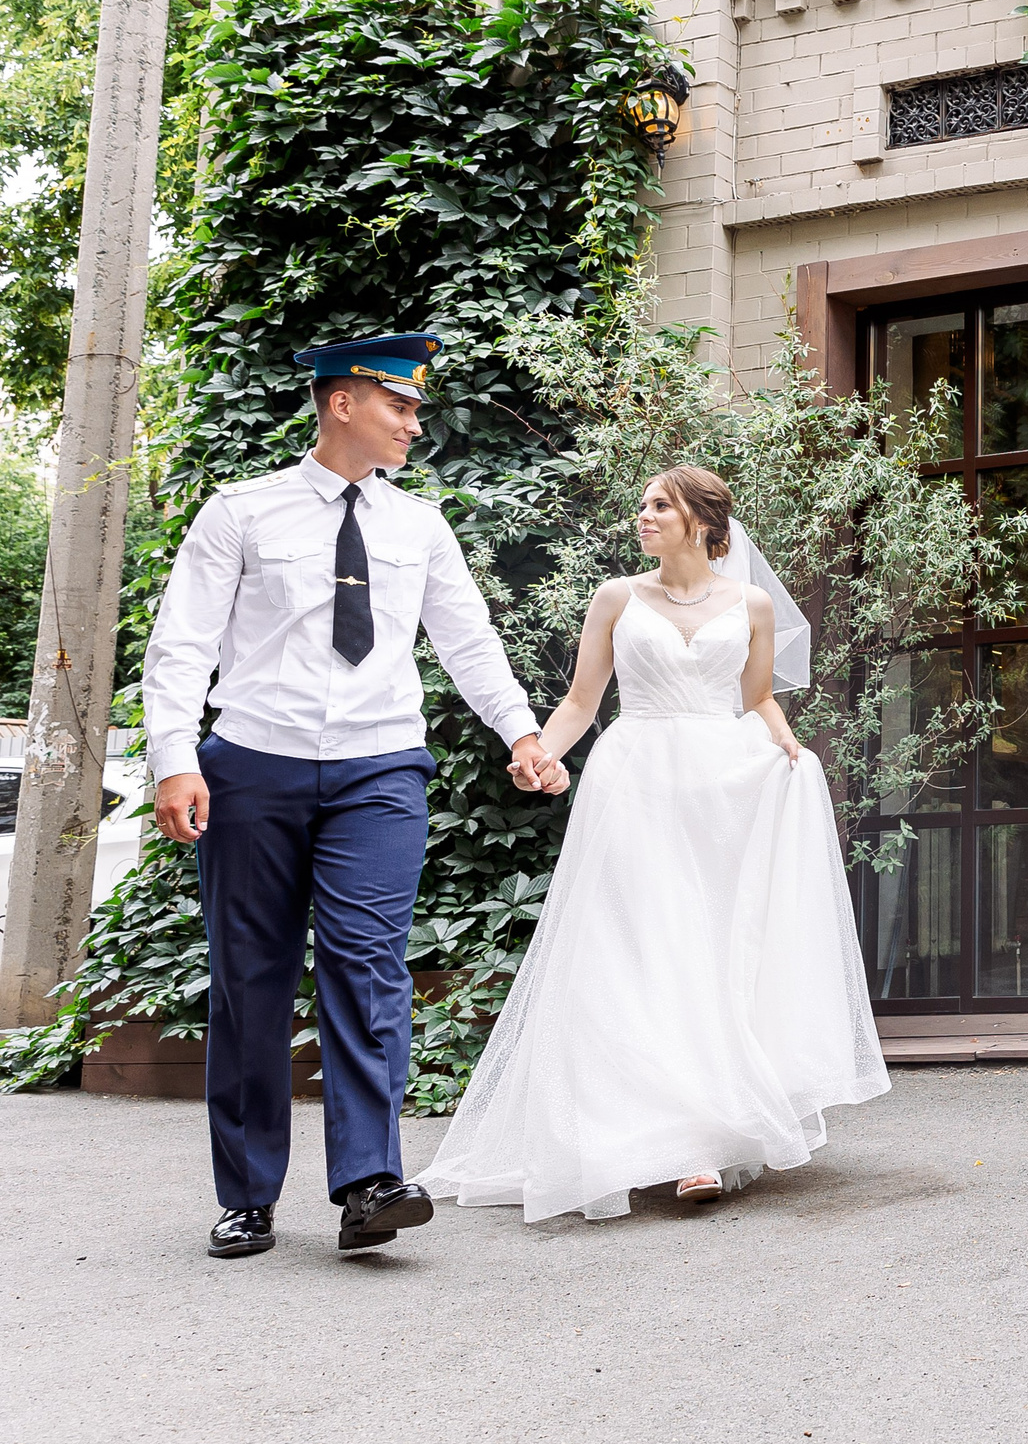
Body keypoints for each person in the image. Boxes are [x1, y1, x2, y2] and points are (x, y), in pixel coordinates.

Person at [143, 334, 556, 1261]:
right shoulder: (242, 513)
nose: (415, 423)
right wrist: (175, 757)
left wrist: (521, 732)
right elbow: (181, 645)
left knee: (369, 965)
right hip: (254, 764)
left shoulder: (419, 525)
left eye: (415, 408)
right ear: (342, 404)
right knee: (251, 978)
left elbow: (469, 641)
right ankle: (248, 1194)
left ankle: (369, 1181)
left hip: (380, 769)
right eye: (400, 407)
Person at [420, 466, 889, 1223]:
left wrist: (789, 749)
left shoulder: (754, 604)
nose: (643, 516)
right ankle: (669, 1144)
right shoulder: (616, 598)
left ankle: (703, 1134)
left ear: (703, 521)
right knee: (638, 948)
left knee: (710, 953)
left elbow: (759, 696)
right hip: (634, 783)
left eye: (659, 505)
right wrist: (541, 751)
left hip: (724, 788)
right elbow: (582, 699)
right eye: (642, 505)